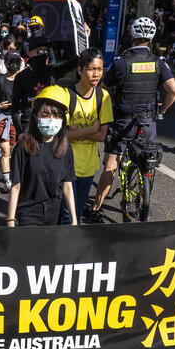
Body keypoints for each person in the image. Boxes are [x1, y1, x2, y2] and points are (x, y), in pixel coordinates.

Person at [88, 17, 175, 222]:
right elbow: (174, 91)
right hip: (147, 122)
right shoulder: (159, 62)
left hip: (122, 122)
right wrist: (161, 109)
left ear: (132, 35)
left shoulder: (121, 62)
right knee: (145, 161)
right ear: (152, 38)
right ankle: (140, 197)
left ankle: (96, 208)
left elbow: (103, 90)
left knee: (111, 165)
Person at [6, 85, 76, 227]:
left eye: (57, 115)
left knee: (51, 248)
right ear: (35, 116)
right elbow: (16, 186)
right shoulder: (23, 146)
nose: (51, 120)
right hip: (28, 211)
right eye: (45, 115)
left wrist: (74, 219)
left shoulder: (65, 148)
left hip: (54, 211)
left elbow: (67, 185)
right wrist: (10, 221)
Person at [62, 48, 112, 224]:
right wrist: (92, 128)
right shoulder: (66, 95)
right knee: (68, 215)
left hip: (89, 167)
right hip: (65, 166)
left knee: (77, 212)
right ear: (80, 70)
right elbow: (63, 136)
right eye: (91, 69)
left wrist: (77, 132)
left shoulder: (103, 96)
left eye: (100, 69)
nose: (96, 74)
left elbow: (102, 135)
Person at [10, 35, 79, 140]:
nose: (43, 54)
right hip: (29, 127)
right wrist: (20, 132)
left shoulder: (51, 72)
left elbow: (72, 63)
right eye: (40, 51)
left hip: (50, 125)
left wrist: (82, 41)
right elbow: (15, 108)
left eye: (46, 51)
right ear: (30, 53)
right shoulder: (21, 77)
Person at [0, 50, 22, 193]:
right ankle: (8, 181)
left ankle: (2, 167)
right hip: (2, 118)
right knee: (5, 150)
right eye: (11, 61)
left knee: (12, 148)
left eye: (17, 61)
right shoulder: (0, 80)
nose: (14, 64)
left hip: (16, 119)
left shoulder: (22, 79)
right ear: (5, 63)